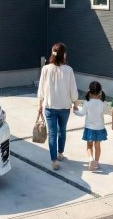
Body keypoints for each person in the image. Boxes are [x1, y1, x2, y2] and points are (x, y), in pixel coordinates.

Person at [37, 42, 79, 170]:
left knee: (52, 133)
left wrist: (39, 105)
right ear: (64, 54)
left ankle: (54, 160)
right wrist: (75, 103)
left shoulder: (45, 69)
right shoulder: (69, 70)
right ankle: (60, 154)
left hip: (50, 107)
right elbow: (73, 89)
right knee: (62, 131)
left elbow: (41, 89)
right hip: (65, 107)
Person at [73, 81, 107, 171]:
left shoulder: (87, 102)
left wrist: (75, 111)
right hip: (100, 128)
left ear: (90, 91)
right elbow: (104, 109)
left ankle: (91, 159)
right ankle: (96, 163)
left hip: (89, 128)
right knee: (98, 147)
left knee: (89, 146)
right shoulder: (103, 103)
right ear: (100, 91)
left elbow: (82, 113)